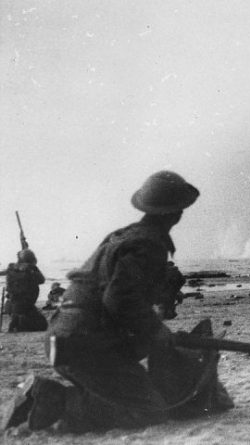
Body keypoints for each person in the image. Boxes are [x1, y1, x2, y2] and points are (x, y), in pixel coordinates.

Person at [1, 171, 234, 433]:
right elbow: (119, 298)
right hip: (86, 343)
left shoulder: (122, 236)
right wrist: (157, 330)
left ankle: (48, 397)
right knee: (149, 411)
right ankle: (54, 401)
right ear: (177, 212)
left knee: (126, 390)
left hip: (63, 336)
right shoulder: (149, 244)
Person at [5, 249, 47, 332]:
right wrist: (33, 270)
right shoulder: (30, 268)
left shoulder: (11, 268)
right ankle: (19, 322)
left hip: (10, 304)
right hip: (26, 304)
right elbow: (42, 280)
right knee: (42, 325)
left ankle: (17, 320)